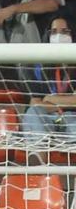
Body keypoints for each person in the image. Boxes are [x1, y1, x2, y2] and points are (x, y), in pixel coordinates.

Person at [20, 15, 76, 154]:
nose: (59, 36)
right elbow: (36, 103)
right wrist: (66, 102)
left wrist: (51, 99)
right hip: (47, 117)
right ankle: (39, 159)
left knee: (70, 119)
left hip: (73, 117)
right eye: (54, 32)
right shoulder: (34, 66)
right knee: (33, 113)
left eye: (65, 31)